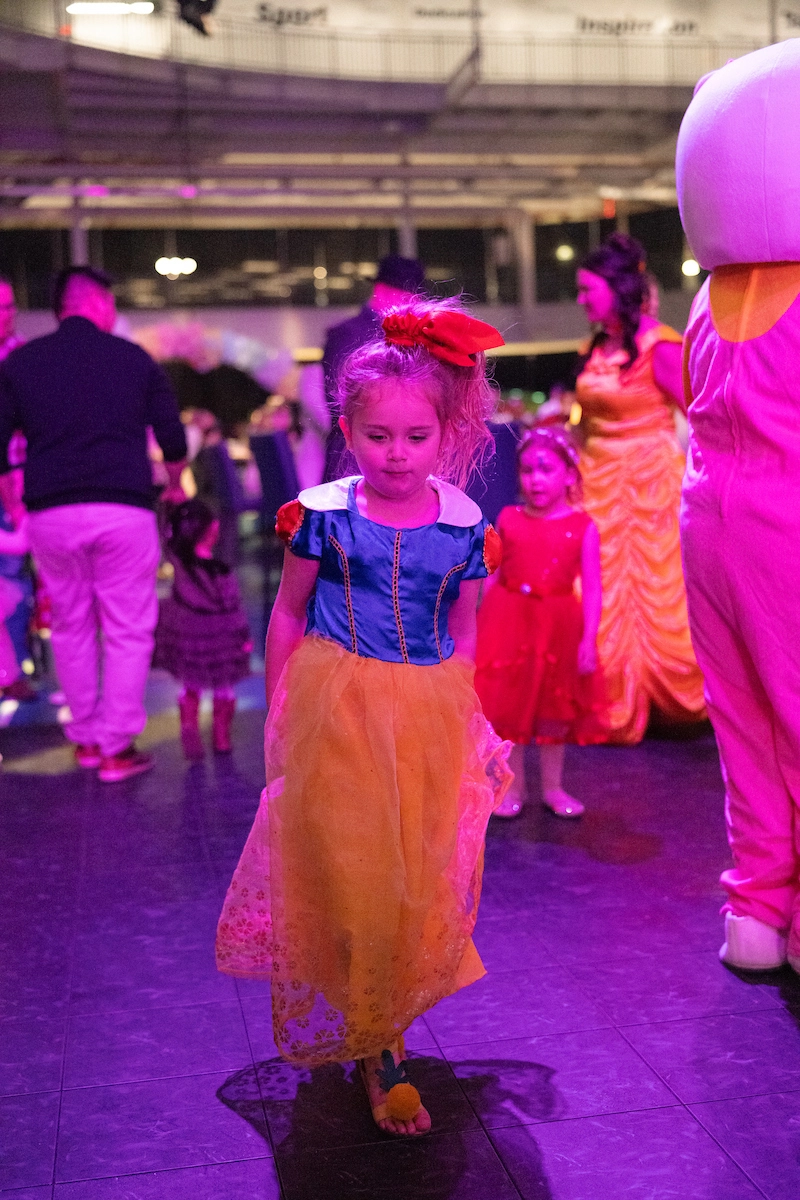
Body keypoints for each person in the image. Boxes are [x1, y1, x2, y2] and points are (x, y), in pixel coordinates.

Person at [216, 298, 513, 1136]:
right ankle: (380, 1051)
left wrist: (463, 711)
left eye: (416, 436)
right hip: (337, 710)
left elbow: (464, 629)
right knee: (351, 876)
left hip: (425, 714)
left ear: (446, 433)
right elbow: (287, 613)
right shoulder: (326, 517)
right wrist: (282, 713)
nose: (397, 453)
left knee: (411, 878)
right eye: (378, 436)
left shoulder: (461, 528)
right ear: (347, 430)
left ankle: (383, 1027)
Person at [676, 40, 800, 974]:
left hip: (705, 524)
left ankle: (756, 911)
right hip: (785, 527)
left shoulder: (706, 302)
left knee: (744, 721)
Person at [0, 266, 187, 782]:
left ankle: (84, 737)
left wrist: (12, 493)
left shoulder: (22, 363)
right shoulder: (132, 358)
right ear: (99, 303)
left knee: (70, 623)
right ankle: (116, 746)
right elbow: (172, 435)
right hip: (123, 509)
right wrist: (175, 482)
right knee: (127, 628)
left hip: (51, 512)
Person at [574, 233, 706, 744]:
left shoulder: (660, 344)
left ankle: (667, 693)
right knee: (598, 586)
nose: (581, 299)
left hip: (649, 486)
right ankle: (607, 693)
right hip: (597, 481)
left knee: (653, 585)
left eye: (588, 289)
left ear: (617, 289)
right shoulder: (596, 347)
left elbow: (696, 412)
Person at [475, 427, 606, 819]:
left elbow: (593, 589)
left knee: (554, 709)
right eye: (528, 470)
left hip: (558, 627)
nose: (536, 480)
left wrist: (588, 640)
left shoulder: (583, 527)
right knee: (509, 710)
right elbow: (493, 576)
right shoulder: (508, 519)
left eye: (546, 470)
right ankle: (513, 788)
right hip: (509, 620)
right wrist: (481, 627)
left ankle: (553, 787)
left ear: (569, 475)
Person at [154, 498, 251, 759]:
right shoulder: (221, 571)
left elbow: (165, 534)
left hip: (187, 634)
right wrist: (243, 637)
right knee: (224, 687)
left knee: (190, 684)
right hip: (220, 638)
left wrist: (169, 507)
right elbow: (232, 608)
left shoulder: (180, 564)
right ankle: (221, 736)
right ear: (210, 532)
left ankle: (189, 726)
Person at [321, 254, 426, 480]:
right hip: (354, 462)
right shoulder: (348, 334)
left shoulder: (410, 334)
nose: (413, 303)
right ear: (382, 290)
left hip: (386, 458)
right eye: (407, 294)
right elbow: (341, 403)